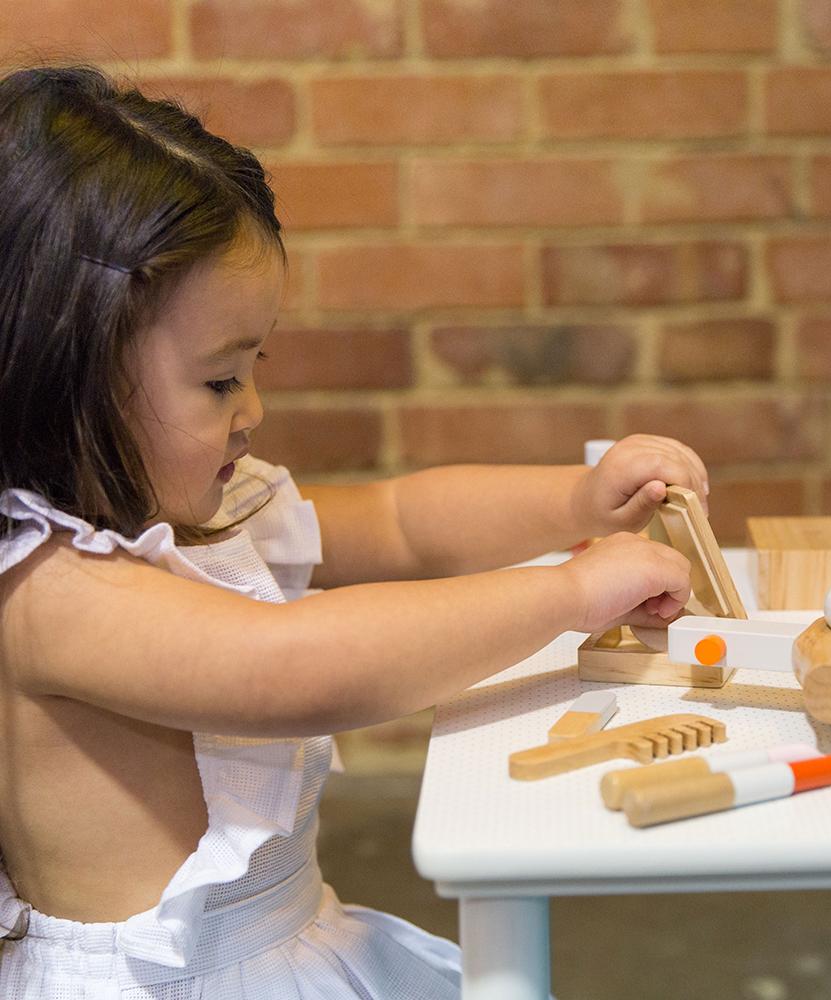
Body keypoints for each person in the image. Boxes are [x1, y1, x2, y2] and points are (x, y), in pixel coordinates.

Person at [0, 65, 706, 999]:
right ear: (59, 373)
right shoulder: (44, 590)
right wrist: (569, 592)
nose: (253, 408)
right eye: (219, 381)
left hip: (290, 948)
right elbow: (292, 669)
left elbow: (402, 522)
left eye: (256, 365)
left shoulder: (201, 515)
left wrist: (577, 500)